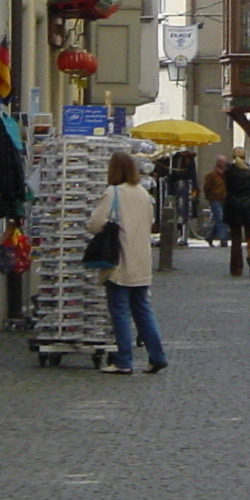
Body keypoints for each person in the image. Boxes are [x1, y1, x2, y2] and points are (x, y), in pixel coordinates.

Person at [85, 152, 168, 376]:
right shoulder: (143, 193)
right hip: (141, 260)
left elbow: (95, 224)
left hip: (120, 260)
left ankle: (124, 360)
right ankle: (157, 356)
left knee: (120, 311)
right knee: (143, 310)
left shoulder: (113, 193)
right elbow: (150, 222)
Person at [222, 151, 250, 276]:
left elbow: (227, 188)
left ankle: (236, 268)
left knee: (236, 239)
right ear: (245, 156)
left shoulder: (229, 172)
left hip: (234, 206)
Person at [201, 155, 229, 247]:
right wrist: (209, 196)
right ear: (218, 163)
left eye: (224, 162)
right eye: (222, 162)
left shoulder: (226, 174)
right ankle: (223, 240)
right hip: (215, 199)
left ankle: (210, 236)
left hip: (224, 199)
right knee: (220, 220)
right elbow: (207, 187)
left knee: (222, 220)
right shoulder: (212, 174)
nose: (224, 164)